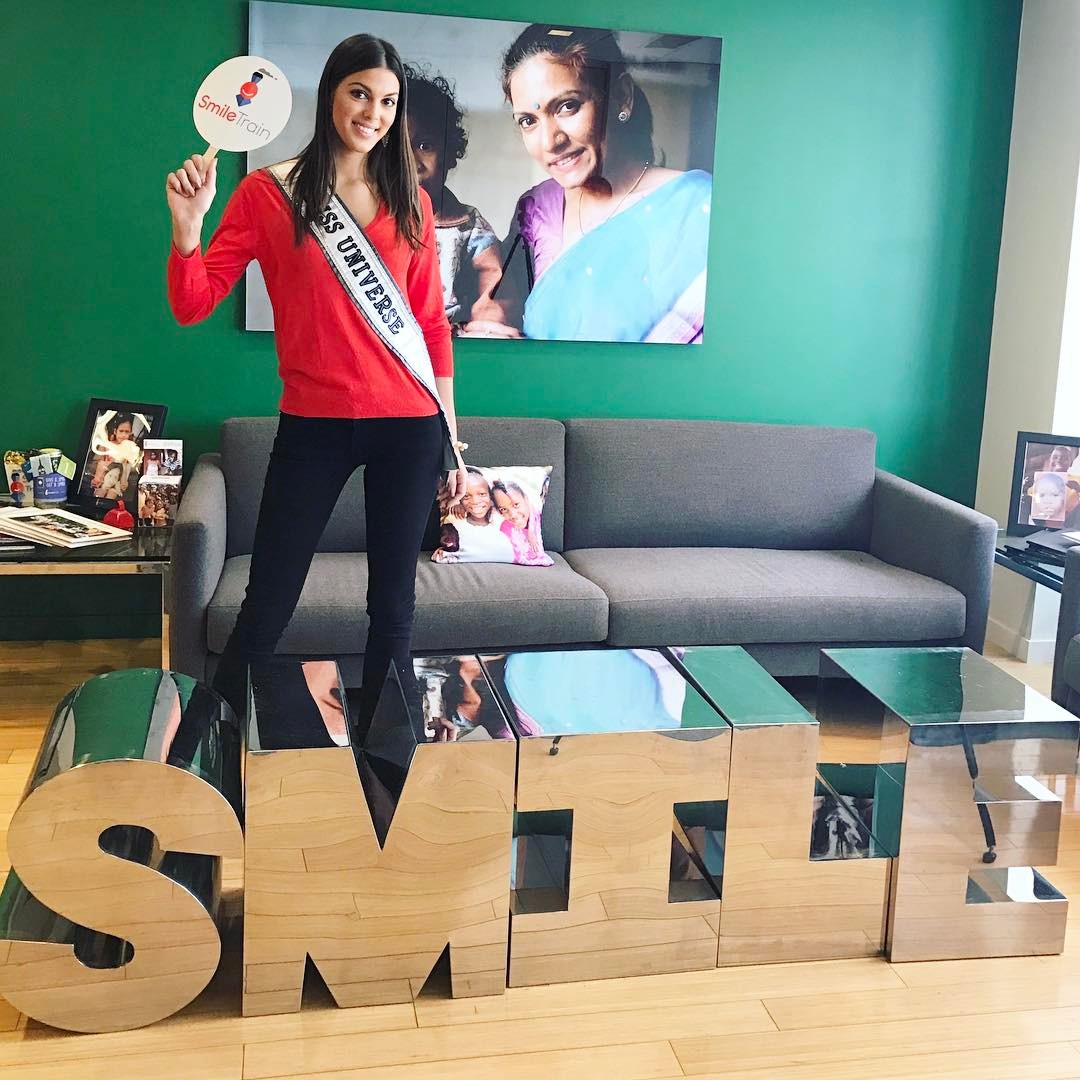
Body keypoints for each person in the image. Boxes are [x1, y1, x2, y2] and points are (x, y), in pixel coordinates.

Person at [166, 33, 468, 724]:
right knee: (268, 600)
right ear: (332, 92)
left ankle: (389, 757)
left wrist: (450, 434)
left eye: (388, 101)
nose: (373, 113)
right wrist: (187, 231)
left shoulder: (412, 202)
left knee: (394, 606)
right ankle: (207, 747)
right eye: (360, 93)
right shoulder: (268, 193)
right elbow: (193, 303)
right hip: (315, 426)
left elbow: (431, 326)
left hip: (410, 426)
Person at [497, 24, 712, 344]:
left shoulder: (697, 208)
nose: (549, 142)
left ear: (621, 97)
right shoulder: (537, 209)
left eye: (567, 106)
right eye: (529, 121)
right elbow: (498, 308)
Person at [403, 67, 508, 335]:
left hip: (448, 337)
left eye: (425, 146)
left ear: (450, 154)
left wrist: (487, 314)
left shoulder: (468, 226)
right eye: (397, 149)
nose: (412, 163)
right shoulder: (365, 218)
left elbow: (493, 281)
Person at [439, 467, 514, 561]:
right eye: (466, 496)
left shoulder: (500, 517)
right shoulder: (457, 522)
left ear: (491, 497)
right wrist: (455, 501)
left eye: (482, 494)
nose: (475, 501)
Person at [490, 478, 550, 565]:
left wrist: (531, 530)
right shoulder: (505, 527)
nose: (513, 515)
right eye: (503, 509)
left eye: (516, 504)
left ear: (526, 499)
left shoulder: (536, 516)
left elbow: (532, 508)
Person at [88, 412, 140, 497]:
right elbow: (96, 463)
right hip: (103, 479)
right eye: (121, 431)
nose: (123, 435)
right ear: (115, 431)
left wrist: (126, 467)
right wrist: (99, 476)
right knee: (100, 494)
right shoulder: (106, 445)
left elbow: (134, 468)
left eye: (127, 432)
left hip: (119, 482)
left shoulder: (131, 448)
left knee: (111, 495)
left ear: (130, 433)